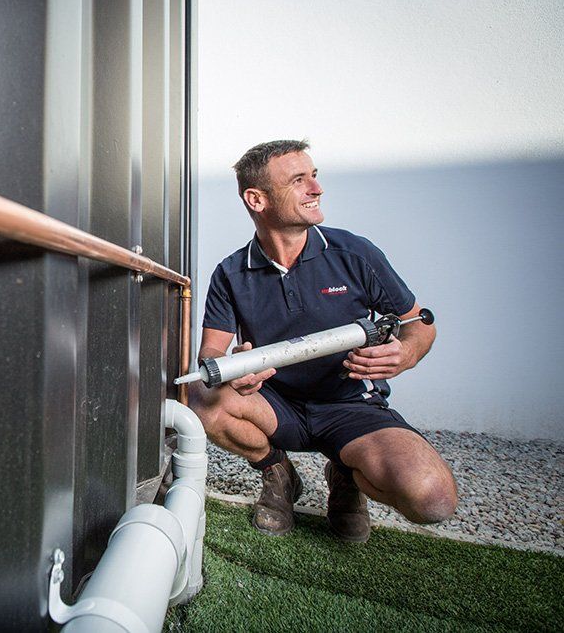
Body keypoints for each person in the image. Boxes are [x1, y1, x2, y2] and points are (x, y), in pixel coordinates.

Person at [191, 139, 457, 542]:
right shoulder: (231, 272)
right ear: (256, 199)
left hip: (351, 406)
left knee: (432, 499)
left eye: (314, 176)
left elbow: (420, 323)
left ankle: (346, 474)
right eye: (299, 180)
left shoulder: (355, 252)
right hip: (276, 404)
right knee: (200, 395)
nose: (316, 189)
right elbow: (210, 352)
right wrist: (237, 368)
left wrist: (404, 353)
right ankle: (276, 472)